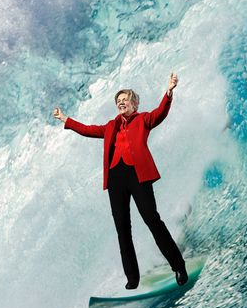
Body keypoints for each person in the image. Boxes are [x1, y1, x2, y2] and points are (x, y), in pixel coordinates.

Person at [54, 73, 188, 289]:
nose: (121, 103)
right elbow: (88, 130)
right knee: (122, 228)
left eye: (125, 100)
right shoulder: (110, 126)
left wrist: (169, 91)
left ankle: (178, 266)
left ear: (133, 104)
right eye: (118, 101)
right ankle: (132, 278)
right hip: (116, 179)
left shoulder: (143, 119)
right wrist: (65, 119)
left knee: (152, 220)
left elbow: (160, 113)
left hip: (138, 176)